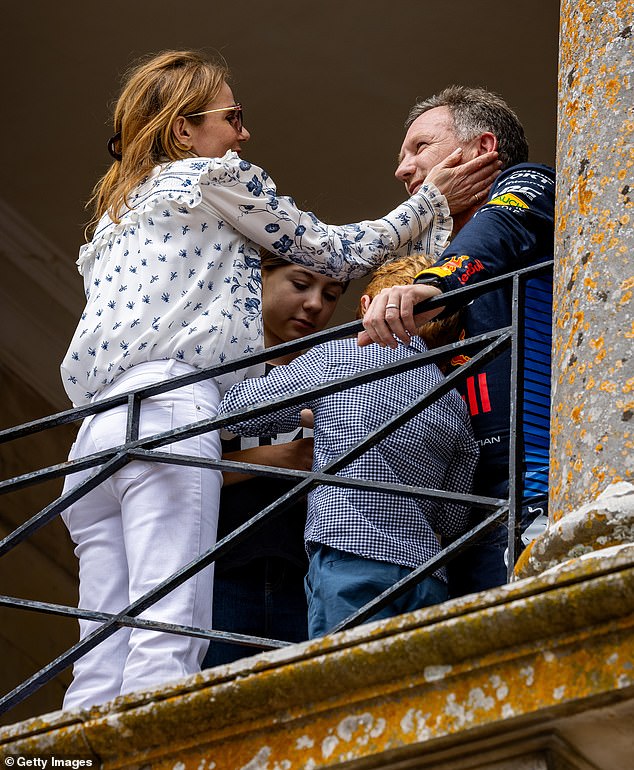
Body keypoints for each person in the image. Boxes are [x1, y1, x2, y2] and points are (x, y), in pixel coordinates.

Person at [58, 52, 499, 709]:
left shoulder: (116, 218)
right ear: (185, 130)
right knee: (165, 636)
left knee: (101, 651)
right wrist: (435, 200)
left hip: (93, 433)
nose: (243, 133)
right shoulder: (216, 177)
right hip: (173, 403)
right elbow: (335, 251)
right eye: (232, 117)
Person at [218, 254, 479, 638]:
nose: (316, 305)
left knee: (341, 678)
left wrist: (313, 415)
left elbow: (235, 412)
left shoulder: (337, 356)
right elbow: (453, 519)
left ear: (365, 307)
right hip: (425, 573)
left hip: (347, 556)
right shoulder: (454, 401)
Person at [359, 86, 555, 596]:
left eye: (419, 147)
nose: (403, 169)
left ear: (482, 147)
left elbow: (497, 234)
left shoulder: (527, 185)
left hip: (533, 484)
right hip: (457, 507)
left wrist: (434, 286)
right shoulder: (433, 248)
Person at [203, 251, 348, 667]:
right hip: (222, 569)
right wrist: (280, 457)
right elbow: (173, 472)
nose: (315, 304)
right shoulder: (211, 363)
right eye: (300, 285)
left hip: (304, 577)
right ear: (257, 276)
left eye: (332, 295)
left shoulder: (333, 368)